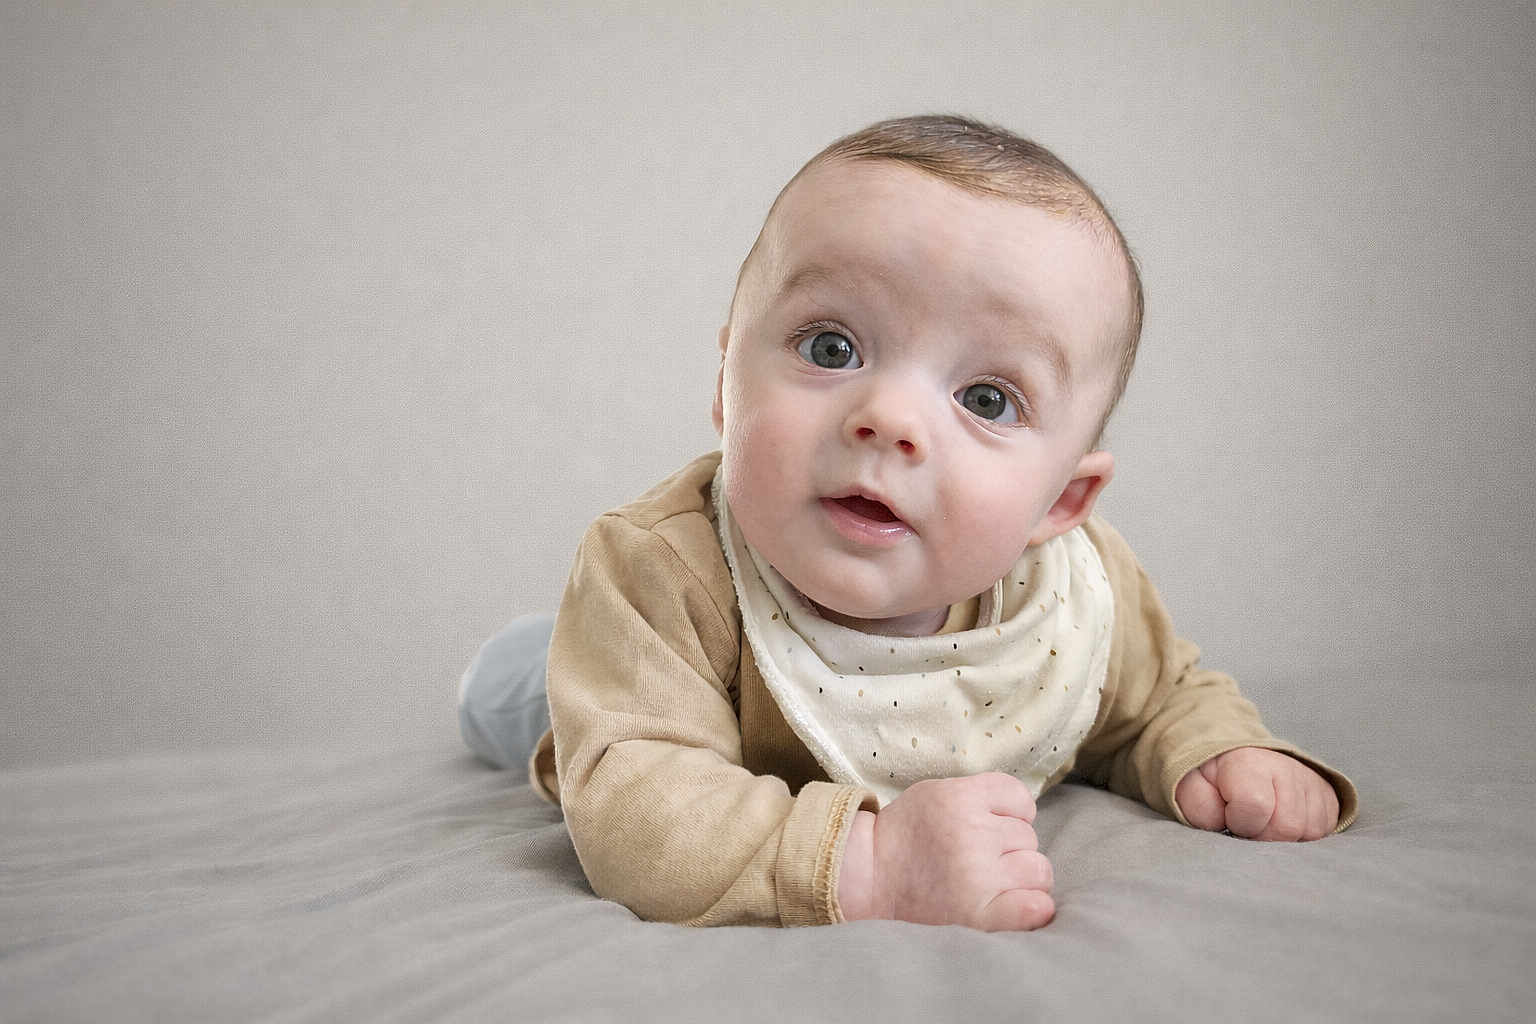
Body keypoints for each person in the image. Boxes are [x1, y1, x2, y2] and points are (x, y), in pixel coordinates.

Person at [459, 114, 1358, 931]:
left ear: (1059, 506)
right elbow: (637, 807)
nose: (889, 417)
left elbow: (1156, 697)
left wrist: (1217, 750)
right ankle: (512, 669)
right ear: (725, 386)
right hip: (641, 676)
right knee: (520, 687)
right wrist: (869, 863)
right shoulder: (656, 570)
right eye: (831, 348)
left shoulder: (1073, 596)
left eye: (986, 398)